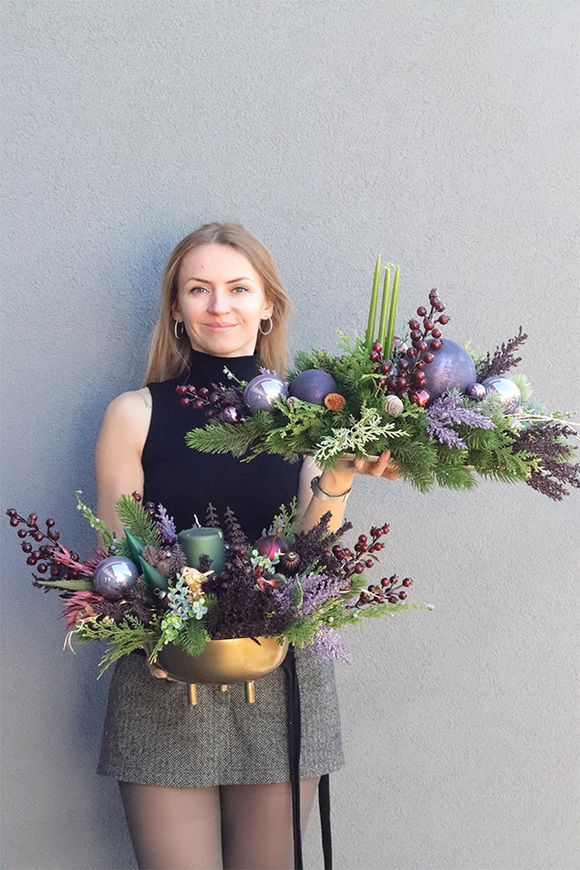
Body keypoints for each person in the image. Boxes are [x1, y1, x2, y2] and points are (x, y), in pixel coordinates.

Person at [95, 222, 398, 870]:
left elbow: (315, 549)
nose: (219, 305)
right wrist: (150, 635)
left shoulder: (311, 418)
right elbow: (118, 558)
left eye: (238, 288)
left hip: (280, 671)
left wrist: (338, 475)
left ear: (268, 307)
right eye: (198, 289)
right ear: (176, 310)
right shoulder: (134, 414)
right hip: (165, 678)